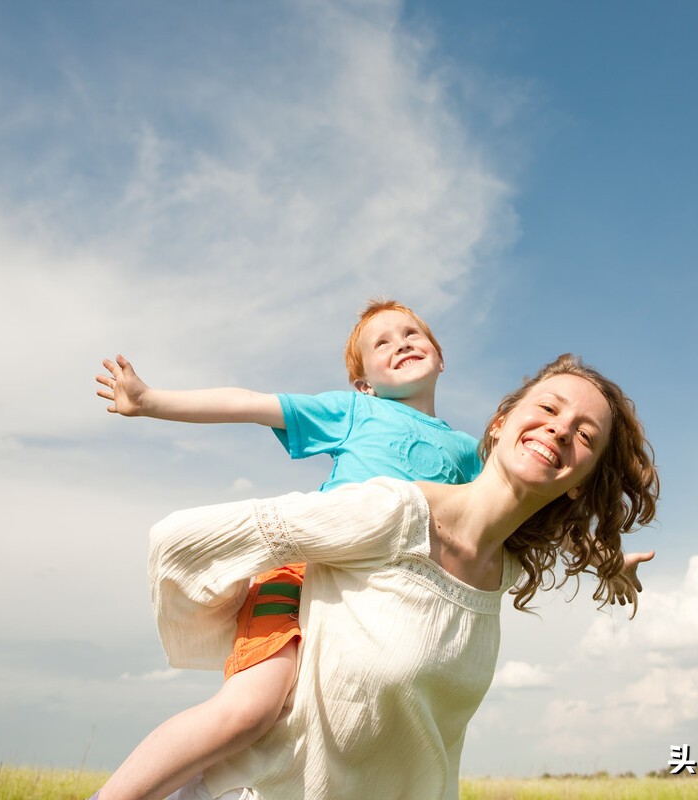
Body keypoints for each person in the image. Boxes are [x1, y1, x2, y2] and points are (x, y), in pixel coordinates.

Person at [141, 353, 659, 800]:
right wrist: (275, 624)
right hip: (260, 783)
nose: (562, 428)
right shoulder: (391, 509)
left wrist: (608, 563)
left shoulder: (505, 569)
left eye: (585, 434)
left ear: (579, 483)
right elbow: (185, 543)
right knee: (246, 711)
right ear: (500, 422)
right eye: (548, 408)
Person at [93, 300, 482, 800]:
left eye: (412, 333)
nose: (401, 342)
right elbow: (249, 404)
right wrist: (149, 401)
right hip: (300, 576)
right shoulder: (357, 411)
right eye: (381, 342)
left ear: (440, 357)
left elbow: (520, 516)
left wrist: (609, 562)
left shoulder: (469, 453)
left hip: (376, 606)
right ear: (365, 384)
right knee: (249, 712)